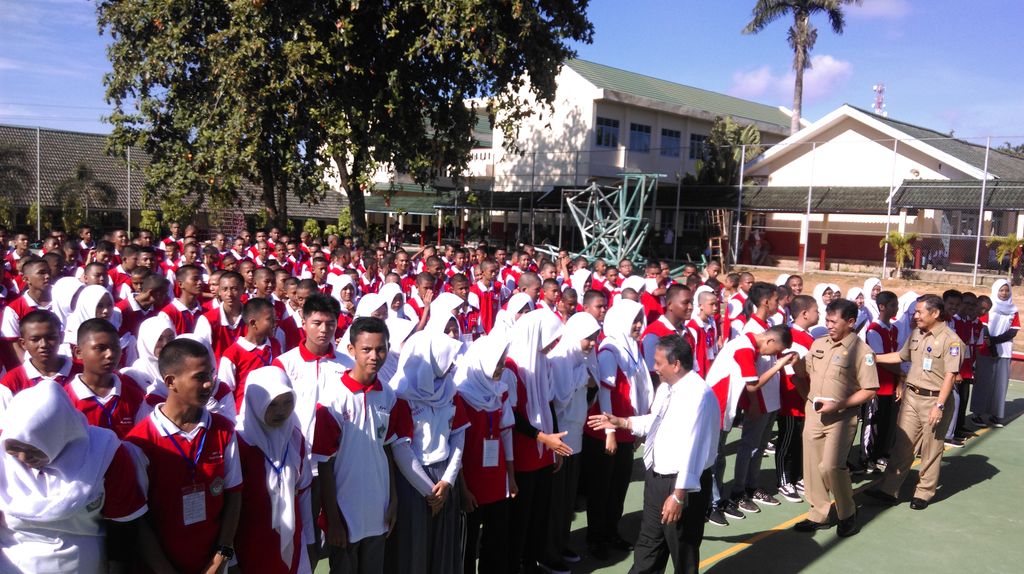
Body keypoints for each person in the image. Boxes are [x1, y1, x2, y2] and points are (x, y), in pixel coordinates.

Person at [588, 334, 719, 574]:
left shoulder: (698, 396)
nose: (654, 368)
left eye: (659, 363)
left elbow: (694, 449)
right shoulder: (667, 389)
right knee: (649, 544)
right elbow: (656, 421)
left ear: (676, 364)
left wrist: (678, 496)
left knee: (683, 551)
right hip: (658, 478)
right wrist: (622, 421)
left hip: (683, 485)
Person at [0, 380, 147, 573]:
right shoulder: (3, 457)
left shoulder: (103, 452)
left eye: (33, 449)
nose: (23, 457)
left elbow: (123, 528)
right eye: (14, 449)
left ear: (57, 434)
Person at [125, 337, 243, 573]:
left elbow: (234, 494)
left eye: (210, 374)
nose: (209, 384)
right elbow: (138, 519)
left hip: (213, 563)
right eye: (199, 377)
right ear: (171, 382)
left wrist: (221, 555)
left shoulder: (223, 429)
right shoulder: (140, 442)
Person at [312, 317, 408, 574]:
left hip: (378, 511)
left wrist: (394, 500)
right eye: (366, 349)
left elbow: (388, 450)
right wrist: (333, 519)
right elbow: (325, 464)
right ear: (352, 350)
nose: (374, 356)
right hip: (345, 514)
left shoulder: (388, 395)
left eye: (381, 349)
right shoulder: (333, 398)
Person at [792, 299, 878, 536]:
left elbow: (870, 390)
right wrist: (795, 362)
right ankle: (818, 513)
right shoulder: (818, 344)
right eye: (827, 320)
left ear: (850, 322)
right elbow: (805, 372)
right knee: (811, 465)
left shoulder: (862, 352)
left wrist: (838, 405)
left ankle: (847, 513)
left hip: (841, 416)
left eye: (833, 321)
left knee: (832, 466)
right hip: (814, 412)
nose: (828, 325)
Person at [867, 294, 961, 510]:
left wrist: (939, 405)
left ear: (935, 313)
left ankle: (924, 492)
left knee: (930, 448)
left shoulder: (951, 340)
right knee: (902, 444)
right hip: (911, 396)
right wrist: (874, 357)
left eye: (920, 312)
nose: (915, 316)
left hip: (934, 400)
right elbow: (901, 356)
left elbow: (950, 375)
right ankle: (889, 490)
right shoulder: (917, 334)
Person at [387, 332, 468, 574]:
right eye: (447, 358)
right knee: (414, 549)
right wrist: (429, 492)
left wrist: (448, 480)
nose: (452, 364)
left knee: (444, 548)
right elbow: (400, 447)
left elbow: (458, 435)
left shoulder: (450, 390)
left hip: (443, 478)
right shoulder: (400, 394)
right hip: (414, 481)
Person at [583, 299, 653, 559]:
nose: (639, 325)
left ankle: (611, 531)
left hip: (624, 429)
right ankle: (595, 538)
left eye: (640, 319)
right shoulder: (610, 350)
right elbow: (605, 393)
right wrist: (610, 431)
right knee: (601, 488)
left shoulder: (632, 347)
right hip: (605, 431)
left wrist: (635, 429)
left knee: (619, 486)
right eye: (634, 320)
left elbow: (640, 389)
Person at [703, 325, 793, 525]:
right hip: (717, 403)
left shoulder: (747, 344)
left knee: (718, 457)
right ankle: (711, 505)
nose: (773, 355)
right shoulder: (745, 348)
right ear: (770, 341)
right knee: (715, 457)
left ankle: (717, 500)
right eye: (776, 350)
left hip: (723, 404)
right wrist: (778, 365)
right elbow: (753, 384)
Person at [505, 310, 570, 573]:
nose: (554, 345)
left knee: (539, 515)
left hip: (543, 451)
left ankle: (532, 562)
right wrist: (544, 438)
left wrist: (552, 447)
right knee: (519, 518)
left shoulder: (543, 360)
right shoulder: (511, 366)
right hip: (523, 453)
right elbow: (513, 417)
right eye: (551, 338)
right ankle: (517, 564)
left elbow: (549, 403)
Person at [235, 366, 315, 574]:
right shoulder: (239, 443)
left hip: (292, 540)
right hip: (251, 541)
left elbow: (304, 492)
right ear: (255, 401)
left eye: (288, 402)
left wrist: (310, 541)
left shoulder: (294, 437)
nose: (281, 411)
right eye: (272, 404)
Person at [455, 335, 517, 574]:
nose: (501, 367)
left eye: (502, 361)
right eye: (497, 362)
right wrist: (462, 488)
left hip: (496, 478)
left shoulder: (500, 391)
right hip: (471, 480)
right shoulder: (460, 394)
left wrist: (510, 477)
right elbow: (457, 447)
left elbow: (506, 435)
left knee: (496, 539)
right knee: (468, 545)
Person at [547, 312, 601, 566]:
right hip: (562, 437)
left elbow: (591, 387)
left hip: (576, 435)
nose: (591, 343)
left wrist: (585, 379)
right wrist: (583, 378)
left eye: (594, 338)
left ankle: (561, 543)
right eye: (587, 338)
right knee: (556, 500)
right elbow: (560, 397)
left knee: (568, 499)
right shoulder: (560, 358)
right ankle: (549, 552)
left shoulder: (581, 358)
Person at [66, 318, 145, 439]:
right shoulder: (65, 399)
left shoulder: (135, 397)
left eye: (115, 347)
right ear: (78, 352)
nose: (110, 354)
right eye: (100, 348)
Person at [774, 294, 817, 505]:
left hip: (804, 398)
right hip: (792, 398)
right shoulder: (791, 336)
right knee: (787, 440)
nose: (820, 314)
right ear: (805, 313)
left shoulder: (808, 337)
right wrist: (807, 397)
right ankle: (784, 480)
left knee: (800, 441)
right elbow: (792, 372)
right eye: (817, 311)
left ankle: (798, 476)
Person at [0, 310, 75, 413]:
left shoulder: (82, 373)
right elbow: (4, 426)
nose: (43, 344)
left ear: (61, 338)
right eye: (35, 339)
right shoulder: (11, 382)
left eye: (50, 338)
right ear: (23, 343)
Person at [220, 297, 282, 411]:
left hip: (272, 413)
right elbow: (225, 391)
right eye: (270, 319)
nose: (275, 323)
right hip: (245, 416)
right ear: (253, 323)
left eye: (275, 318)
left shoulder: (275, 344)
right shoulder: (233, 354)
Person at [862, 291, 901, 469]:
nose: (897, 308)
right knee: (873, 421)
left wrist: (899, 379)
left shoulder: (894, 329)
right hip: (877, 384)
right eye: (893, 305)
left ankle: (881, 453)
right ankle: (867, 457)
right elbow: (880, 359)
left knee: (887, 421)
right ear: (882, 307)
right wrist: (902, 375)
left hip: (892, 383)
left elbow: (897, 356)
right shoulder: (873, 330)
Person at [977, 279, 1018, 427]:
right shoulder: (989, 306)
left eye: (1007, 290)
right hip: (986, 350)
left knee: (1000, 385)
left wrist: (995, 342)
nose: (1004, 293)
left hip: (1004, 352)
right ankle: (978, 414)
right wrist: (991, 346)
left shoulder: (1013, 309)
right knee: (983, 383)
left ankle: (996, 415)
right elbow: (984, 327)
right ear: (995, 290)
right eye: (1001, 290)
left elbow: (1013, 331)